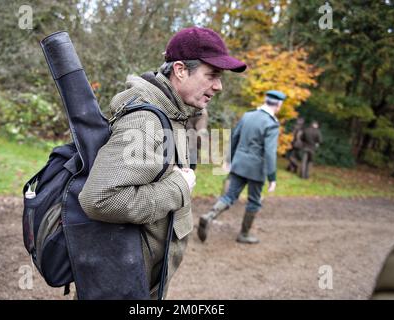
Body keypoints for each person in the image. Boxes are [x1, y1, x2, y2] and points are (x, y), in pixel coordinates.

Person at [78, 26, 246, 299]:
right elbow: (100, 199)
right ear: (180, 70)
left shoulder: (173, 112)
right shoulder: (146, 121)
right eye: (212, 75)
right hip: (123, 282)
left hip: (142, 277)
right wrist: (179, 187)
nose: (219, 85)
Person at [197, 90, 286, 244]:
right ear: (278, 105)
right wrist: (272, 177)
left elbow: (234, 138)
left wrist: (228, 160)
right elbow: (270, 152)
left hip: (239, 164)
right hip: (257, 169)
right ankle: (244, 234)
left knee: (229, 196)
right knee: (254, 201)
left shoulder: (248, 116)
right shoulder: (272, 124)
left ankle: (209, 216)